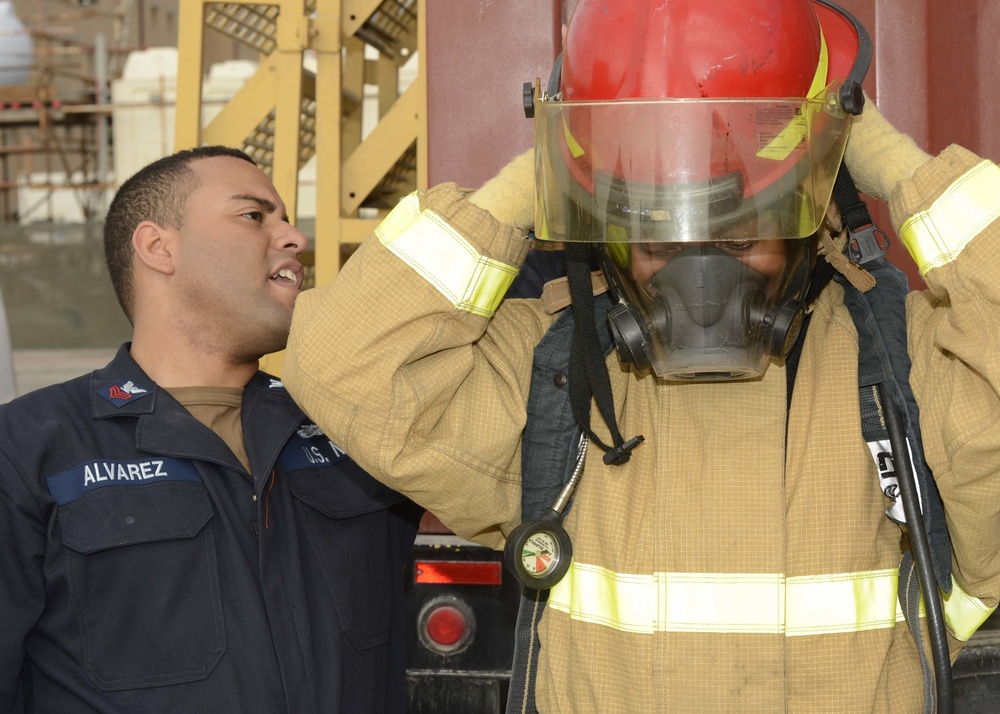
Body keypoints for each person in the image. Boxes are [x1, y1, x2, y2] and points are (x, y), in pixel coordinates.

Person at [283, 1, 1000, 711]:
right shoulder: (555, 375)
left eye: (740, 230)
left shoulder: (909, 362)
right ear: (608, 230)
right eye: (657, 237)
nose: (701, 281)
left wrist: (886, 159)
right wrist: (545, 166)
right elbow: (345, 365)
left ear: (811, 213)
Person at [0, 145, 421, 713]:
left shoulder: (352, 429)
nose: (295, 237)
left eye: (286, 219)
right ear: (157, 247)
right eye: (255, 216)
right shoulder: (29, 451)